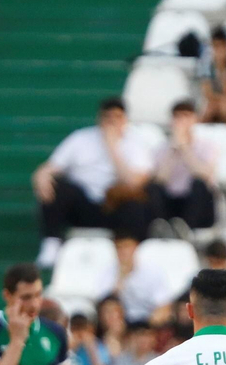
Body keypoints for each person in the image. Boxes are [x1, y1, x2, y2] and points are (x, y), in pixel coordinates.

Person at [33, 97, 153, 266]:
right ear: (99, 118)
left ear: (124, 119)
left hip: (116, 206)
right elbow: (50, 167)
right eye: (107, 117)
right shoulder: (80, 138)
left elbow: (135, 182)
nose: (111, 122)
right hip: (84, 206)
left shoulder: (136, 143)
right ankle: (51, 242)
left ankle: (131, 251)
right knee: (57, 186)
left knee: (138, 201)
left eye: (116, 117)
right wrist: (41, 176)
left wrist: (112, 148)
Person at [150, 100, 219, 232]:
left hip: (196, 204)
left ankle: (187, 230)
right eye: (177, 116)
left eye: (186, 116)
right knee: (153, 189)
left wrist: (184, 147)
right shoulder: (161, 148)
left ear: (194, 119)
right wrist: (173, 150)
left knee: (199, 185)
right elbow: (159, 179)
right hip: (172, 202)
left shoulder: (207, 146)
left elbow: (204, 175)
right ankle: (161, 227)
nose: (181, 121)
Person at [199, 26, 226, 125]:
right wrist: (217, 102)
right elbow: (207, 92)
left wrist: (222, 68)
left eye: (222, 46)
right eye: (216, 46)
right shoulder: (206, 63)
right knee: (207, 111)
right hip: (214, 101)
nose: (219, 50)